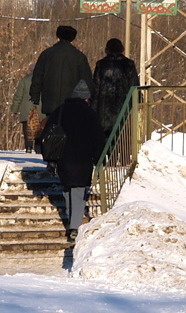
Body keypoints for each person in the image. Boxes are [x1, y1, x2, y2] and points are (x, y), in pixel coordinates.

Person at [51, 79, 106, 239]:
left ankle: (72, 221)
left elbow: (49, 132)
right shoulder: (90, 114)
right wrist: (99, 158)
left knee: (68, 190)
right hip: (82, 159)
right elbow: (98, 139)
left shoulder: (60, 111)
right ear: (86, 99)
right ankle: (74, 227)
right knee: (79, 191)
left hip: (63, 158)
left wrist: (50, 157)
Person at [30, 25, 93, 118]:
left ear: (58, 37)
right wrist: (87, 98)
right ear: (72, 39)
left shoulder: (46, 54)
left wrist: (35, 96)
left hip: (50, 101)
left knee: (52, 126)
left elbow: (37, 77)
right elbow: (86, 79)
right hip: (72, 103)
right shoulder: (79, 57)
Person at [91, 38, 140, 133]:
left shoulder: (101, 64)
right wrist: (137, 104)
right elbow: (134, 87)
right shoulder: (128, 64)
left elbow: (96, 89)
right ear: (121, 49)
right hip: (123, 108)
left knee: (105, 140)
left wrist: (93, 109)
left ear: (107, 49)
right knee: (122, 138)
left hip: (104, 110)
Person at [10, 65, 39, 152]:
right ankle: (39, 148)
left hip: (27, 110)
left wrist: (14, 109)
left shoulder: (24, 80)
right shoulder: (45, 80)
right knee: (39, 130)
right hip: (39, 110)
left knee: (27, 130)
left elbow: (19, 96)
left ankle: (29, 147)